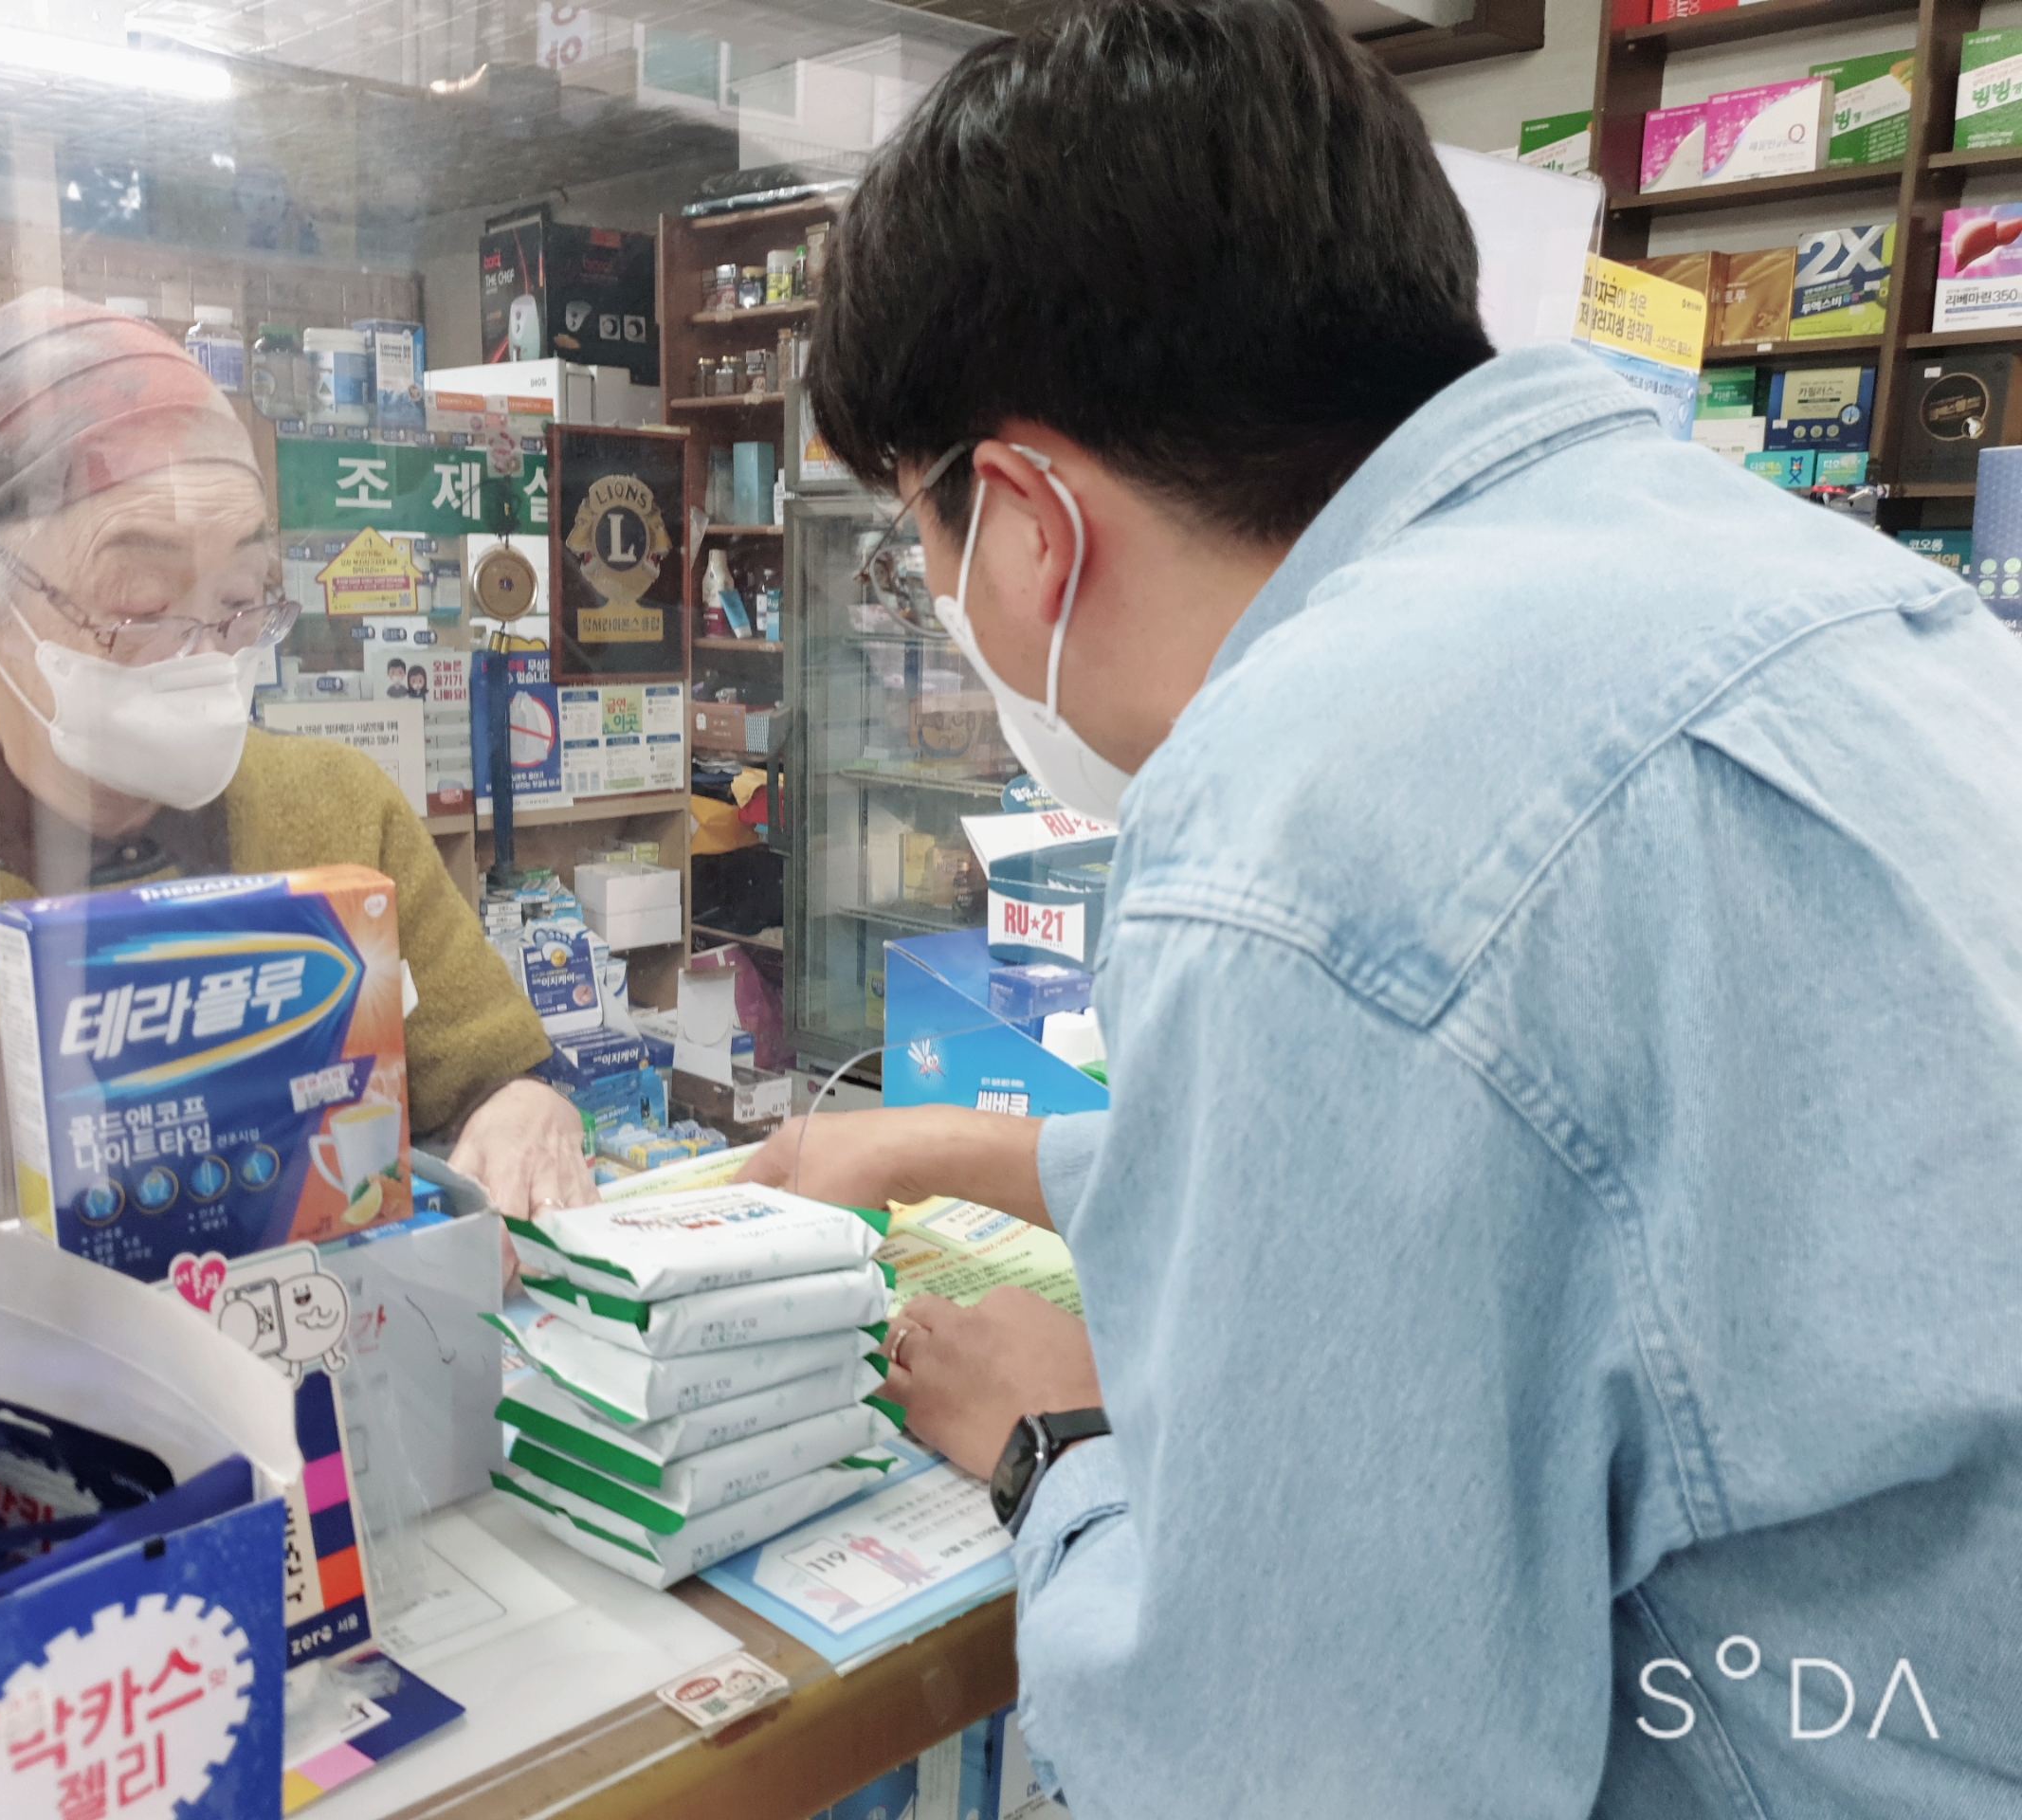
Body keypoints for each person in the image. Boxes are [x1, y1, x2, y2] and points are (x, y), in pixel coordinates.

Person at [743, 2, 2022, 1812]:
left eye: (918, 546)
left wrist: (1058, 1447)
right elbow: (1572, 1164)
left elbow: (1285, 1768)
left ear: (1025, 517)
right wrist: (958, 1149)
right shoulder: (1783, 570)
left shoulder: (1304, 817)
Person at [0, 290, 592, 1221]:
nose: (206, 652)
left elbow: (493, 1075)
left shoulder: (336, 808)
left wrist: (525, 1109)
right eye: (139, 602)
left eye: (241, 596)